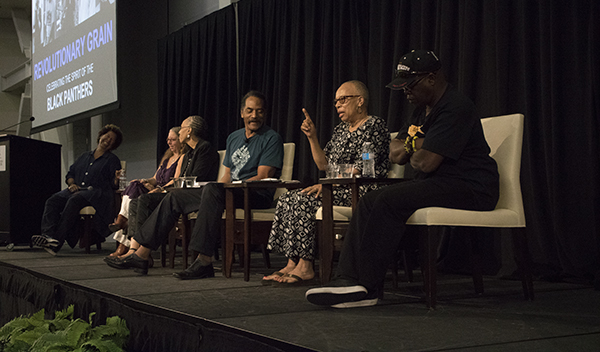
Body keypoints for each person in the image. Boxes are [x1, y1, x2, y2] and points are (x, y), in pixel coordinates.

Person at [305, 50, 500, 308]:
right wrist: (417, 144)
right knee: (369, 200)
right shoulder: (422, 110)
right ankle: (348, 278)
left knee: (386, 201)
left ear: (431, 78)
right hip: (439, 183)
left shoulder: (455, 107)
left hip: (471, 187)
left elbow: (426, 162)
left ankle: (368, 289)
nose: (405, 93)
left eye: (410, 85)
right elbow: (395, 153)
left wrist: (413, 147)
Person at [106, 91, 284, 277]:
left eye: (259, 111)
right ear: (242, 113)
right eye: (250, 111)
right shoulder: (234, 138)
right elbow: (227, 176)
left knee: (213, 189)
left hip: (254, 194)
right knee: (174, 196)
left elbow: (263, 176)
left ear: (265, 113)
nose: (254, 116)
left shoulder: (271, 138)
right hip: (228, 191)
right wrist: (218, 187)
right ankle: (142, 254)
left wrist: (221, 188)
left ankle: (204, 261)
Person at [264, 80, 390, 286]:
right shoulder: (340, 130)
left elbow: (360, 168)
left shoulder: (374, 125)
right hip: (336, 187)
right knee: (288, 199)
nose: (338, 105)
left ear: (360, 101)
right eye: (336, 101)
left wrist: (328, 186)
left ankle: (305, 266)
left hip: (361, 189)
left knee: (304, 202)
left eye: (343, 100)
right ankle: (291, 261)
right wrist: (312, 137)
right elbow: (324, 165)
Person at [105, 115, 220, 263]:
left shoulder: (205, 148)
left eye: (181, 129)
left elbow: (195, 178)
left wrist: (163, 189)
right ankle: (136, 250)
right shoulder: (189, 153)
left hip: (196, 195)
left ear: (189, 131)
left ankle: (141, 253)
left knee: (153, 200)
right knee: (142, 199)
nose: (179, 134)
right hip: (181, 194)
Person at [32, 124, 124, 255]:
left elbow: (114, 185)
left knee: (74, 200)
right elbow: (70, 174)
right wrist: (71, 184)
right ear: (101, 136)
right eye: (107, 136)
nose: (108, 140)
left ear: (114, 145)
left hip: (96, 194)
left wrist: (116, 179)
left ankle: (56, 242)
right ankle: (48, 236)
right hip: (77, 190)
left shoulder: (112, 160)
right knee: (53, 200)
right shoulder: (84, 156)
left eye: (112, 140)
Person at [108, 126, 183, 257]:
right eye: (168, 139)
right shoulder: (167, 158)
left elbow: (175, 180)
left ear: (180, 140)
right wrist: (144, 180)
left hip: (164, 193)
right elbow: (155, 178)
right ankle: (123, 224)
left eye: (173, 139)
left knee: (135, 204)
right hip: (153, 191)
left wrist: (159, 189)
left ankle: (122, 225)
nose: (169, 142)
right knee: (135, 184)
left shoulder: (182, 158)